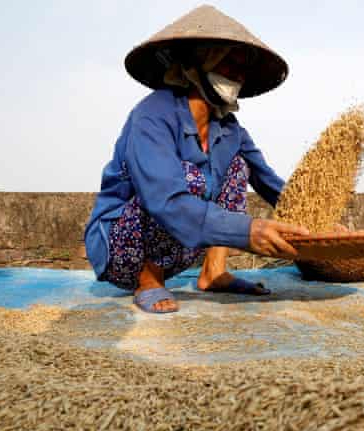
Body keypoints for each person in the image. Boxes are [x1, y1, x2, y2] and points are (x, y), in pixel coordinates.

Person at [84, 5, 308, 313]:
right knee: (190, 176)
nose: (237, 74)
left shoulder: (230, 130)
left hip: (181, 245)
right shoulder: (152, 115)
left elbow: (269, 183)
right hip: (123, 246)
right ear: (198, 65)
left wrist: (314, 222)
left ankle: (213, 271)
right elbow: (163, 198)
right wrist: (247, 231)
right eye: (228, 63)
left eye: (242, 68)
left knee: (236, 167)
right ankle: (149, 279)